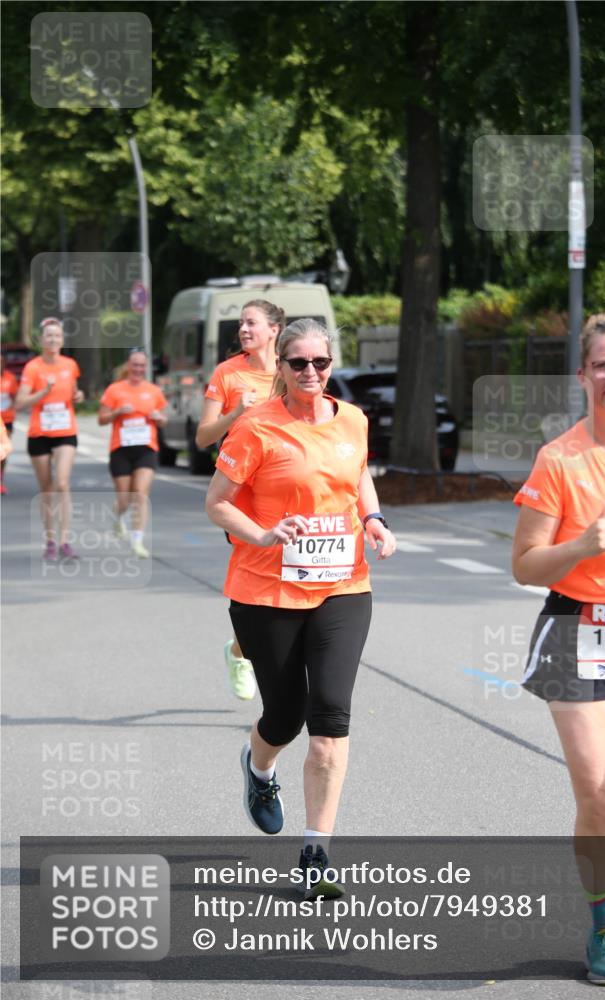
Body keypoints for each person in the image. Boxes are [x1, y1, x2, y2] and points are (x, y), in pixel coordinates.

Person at [205, 318, 396, 896]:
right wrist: (262, 535)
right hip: (266, 591)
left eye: (321, 362)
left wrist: (374, 520)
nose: (311, 373)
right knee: (284, 715)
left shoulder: (353, 420)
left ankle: (316, 853)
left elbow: (357, 473)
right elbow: (217, 503)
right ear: (281, 369)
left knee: (330, 718)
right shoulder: (256, 427)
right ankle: (259, 769)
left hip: (343, 585)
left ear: (331, 364)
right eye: (299, 364)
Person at [512, 314, 605, 985]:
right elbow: (524, 565)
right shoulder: (559, 458)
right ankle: (603, 925)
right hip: (575, 631)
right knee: (599, 796)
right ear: (582, 376)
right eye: (602, 365)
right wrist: (578, 548)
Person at [197, 299, 286, 701]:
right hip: (242, 493)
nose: (244, 330)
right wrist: (235, 414)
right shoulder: (227, 372)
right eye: (241, 323)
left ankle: (278, 665)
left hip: (287, 484)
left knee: (293, 573)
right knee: (256, 585)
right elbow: (202, 437)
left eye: (252, 323)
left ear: (274, 329)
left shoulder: (294, 369)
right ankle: (240, 651)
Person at [15, 318, 84, 560]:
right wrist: (44, 391)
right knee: (46, 489)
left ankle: (65, 540)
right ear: (42, 340)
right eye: (49, 336)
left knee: (62, 483)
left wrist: (78, 396)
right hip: (39, 433)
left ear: (62, 340)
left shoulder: (70, 365)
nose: (53, 340)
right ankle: (50, 540)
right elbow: (20, 403)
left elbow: (73, 392)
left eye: (57, 336)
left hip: (65, 430)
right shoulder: (33, 368)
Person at [98, 349, 167, 558]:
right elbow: (101, 419)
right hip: (121, 449)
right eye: (134, 365)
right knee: (125, 498)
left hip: (146, 449)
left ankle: (137, 540)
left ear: (146, 368)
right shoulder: (114, 390)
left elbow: (164, 419)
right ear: (128, 366)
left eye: (141, 366)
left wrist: (158, 417)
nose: (138, 369)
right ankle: (118, 517)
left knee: (140, 494)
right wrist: (117, 412)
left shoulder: (154, 391)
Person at [0, 356, 18, 494]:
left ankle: (1, 479)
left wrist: (12, 406)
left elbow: (15, 397)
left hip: (6, 419)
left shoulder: (10, 378)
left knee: (3, 452)